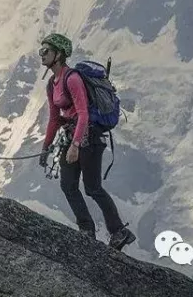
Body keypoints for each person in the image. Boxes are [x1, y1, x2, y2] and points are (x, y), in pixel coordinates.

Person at [38, 33, 136, 250]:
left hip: (88, 138)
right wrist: (45, 148)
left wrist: (76, 145)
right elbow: (55, 118)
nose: (41, 55)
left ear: (59, 54)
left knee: (92, 188)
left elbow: (83, 113)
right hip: (72, 136)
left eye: (46, 51)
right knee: (68, 185)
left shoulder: (71, 79)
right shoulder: (51, 84)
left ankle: (119, 231)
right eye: (41, 51)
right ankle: (87, 230)